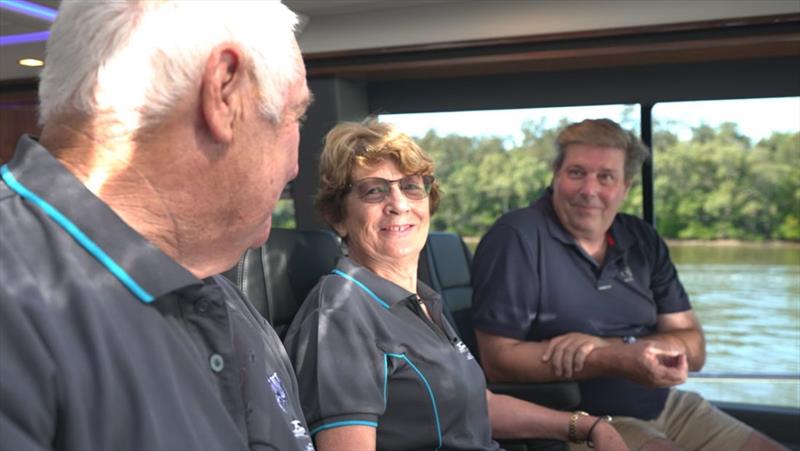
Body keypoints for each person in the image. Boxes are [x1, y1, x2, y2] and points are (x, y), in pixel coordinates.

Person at [0, 1, 314, 450]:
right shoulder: (17, 305)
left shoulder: (217, 295)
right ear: (224, 93)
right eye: (293, 116)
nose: (297, 165)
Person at [283, 119, 628, 451]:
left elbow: (476, 405)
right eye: (374, 191)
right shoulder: (340, 315)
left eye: (411, 187)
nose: (399, 204)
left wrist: (587, 426)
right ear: (338, 216)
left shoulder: (420, 301)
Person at [471, 119, 786, 451]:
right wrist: (615, 358)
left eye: (606, 177)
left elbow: (695, 348)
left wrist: (611, 346)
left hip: (667, 407)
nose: (589, 190)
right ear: (556, 174)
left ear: (626, 186)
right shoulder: (517, 236)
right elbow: (498, 360)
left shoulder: (642, 239)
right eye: (577, 173)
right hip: (578, 421)